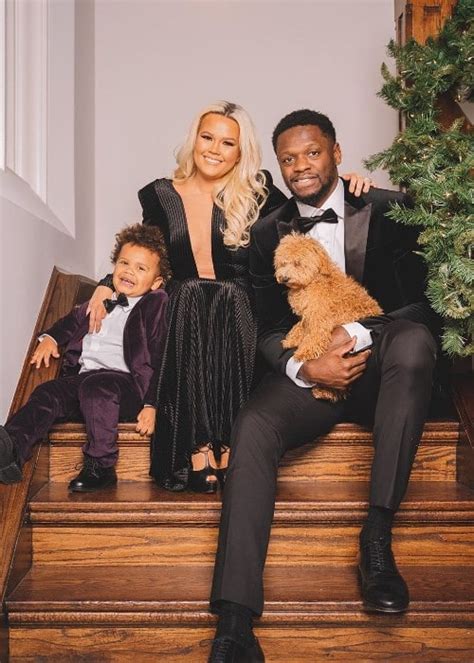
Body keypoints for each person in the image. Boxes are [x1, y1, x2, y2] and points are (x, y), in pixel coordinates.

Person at [208, 109, 440, 663]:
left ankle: (376, 540)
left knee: (413, 342)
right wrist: (305, 369)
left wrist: (355, 332)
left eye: (312, 153)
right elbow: (265, 326)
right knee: (253, 424)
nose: (301, 167)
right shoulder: (267, 233)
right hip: (313, 374)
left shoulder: (389, 208)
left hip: (384, 371)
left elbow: (429, 304)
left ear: (336, 152)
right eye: (288, 159)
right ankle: (235, 620)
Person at [88, 101, 372, 494]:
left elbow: (305, 213)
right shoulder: (160, 194)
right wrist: (107, 282)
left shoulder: (258, 190)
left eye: (228, 143)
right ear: (194, 140)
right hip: (184, 316)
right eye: (207, 137)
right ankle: (201, 446)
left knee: (226, 295)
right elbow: (147, 252)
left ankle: (221, 443)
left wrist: (346, 186)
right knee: (191, 291)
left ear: (240, 152)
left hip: (240, 314)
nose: (214, 149)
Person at [0, 224, 170, 492]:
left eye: (141, 268)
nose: (129, 271)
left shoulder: (153, 306)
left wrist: (152, 404)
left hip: (126, 386)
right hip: (84, 380)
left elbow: (161, 357)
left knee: (96, 387)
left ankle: (101, 465)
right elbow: (70, 322)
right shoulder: (101, 301)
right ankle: (11, 449)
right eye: (124, 263)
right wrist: (50, 338)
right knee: (47, 392)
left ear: (156, 282)